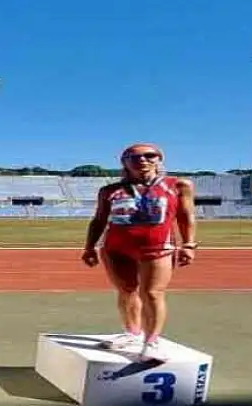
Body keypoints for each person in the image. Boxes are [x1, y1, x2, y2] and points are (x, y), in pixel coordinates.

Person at [81, 143, 197, 361]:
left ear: (159, 159)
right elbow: (99, 220)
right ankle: (132, 333)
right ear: (124, 163)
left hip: (157, 248)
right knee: (126, 291)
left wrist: (189, 244)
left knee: (152, 293)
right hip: (116, 248)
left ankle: (151, 342)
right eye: (134, 157)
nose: (142, 160)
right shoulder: (109, 190)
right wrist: (89, 247)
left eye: (149, 155)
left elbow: (186, 216)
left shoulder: (178, 185)